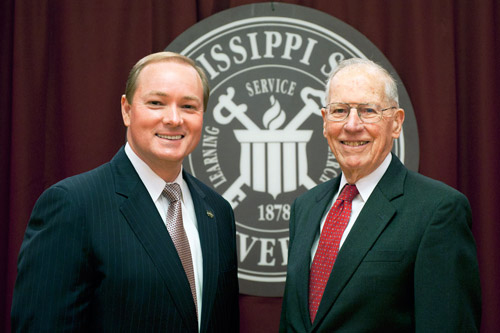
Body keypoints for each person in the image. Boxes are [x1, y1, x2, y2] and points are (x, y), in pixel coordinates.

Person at [11, 52, 239, 332]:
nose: (173, 118)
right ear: (127, 110)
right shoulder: (74, 204)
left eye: (189, 106)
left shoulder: (217, 210)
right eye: (156, 103)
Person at [280, 58, 481, 332]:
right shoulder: (304, 208)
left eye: (368, 110)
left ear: (396, 123)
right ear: (325, 123)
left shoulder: (438, 210)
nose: (352, 125)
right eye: (340, 110)